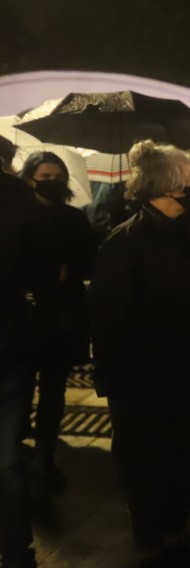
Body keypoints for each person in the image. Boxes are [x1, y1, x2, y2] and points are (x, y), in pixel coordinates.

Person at [89, 140, 190, 568]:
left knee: (189, 461)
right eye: (189, 176)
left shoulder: (189, 236)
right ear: (170, 185)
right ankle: (151, 541)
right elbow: (110, 321)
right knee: (148, 466)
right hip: (146, 386)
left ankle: (174, 532)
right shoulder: (124, 243)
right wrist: (117, 385)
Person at [20, 152, 95, 491]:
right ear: (30, 178)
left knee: (53, 388)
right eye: (43, 176)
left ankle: (44, 454)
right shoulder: (17, 217)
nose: (51, 183)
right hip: (24, 315)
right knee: (19, 387)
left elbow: (89, 263)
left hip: (62, 315)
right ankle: (16, 448)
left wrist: (68, 270)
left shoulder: (74, 219)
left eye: (56, 177)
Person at [0, 168, 54, 568]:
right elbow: (44, 273)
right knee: (7, 453)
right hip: (10, 338)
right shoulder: (21, 200)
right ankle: (17, 550)